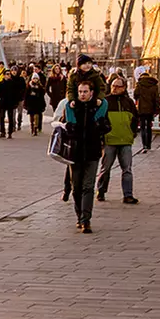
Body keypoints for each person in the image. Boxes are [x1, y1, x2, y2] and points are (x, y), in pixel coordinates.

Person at [65, 80, 111, 233]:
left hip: (92, 152)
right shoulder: (72, 107)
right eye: (80, 92)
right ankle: (79, 216)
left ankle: (86, 220)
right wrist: (69, 127)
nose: (82, 95)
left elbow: (107, 126)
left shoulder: (98, 108)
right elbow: (66, 127)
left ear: (91, 93)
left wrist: (100, 126)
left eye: (85, 92)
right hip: (75, 153)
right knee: (76, 187)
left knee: (88, 187)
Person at [97, 75, 140, 205]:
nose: (114, 88)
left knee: (127, 169)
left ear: (124, 88)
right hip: (110, 140)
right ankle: (101, 191)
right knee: (106, 168)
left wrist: (132, 133)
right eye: (113, 85)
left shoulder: (129, 102)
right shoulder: (106, 102)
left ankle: (128, 195)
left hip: (125, 140)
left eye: (118, 86)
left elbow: (135, 119)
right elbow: (100, 120)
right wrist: (102, 136)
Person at [134, 67, 160, 151]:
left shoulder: (139, 84)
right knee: (149, 127)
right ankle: (149, 144)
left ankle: (144, 144)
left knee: (142, 127)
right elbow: (157, 99)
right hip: (150, 109)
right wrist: (157, 110)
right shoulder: (154, 86)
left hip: (141, 108)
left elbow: (135, 95)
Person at [0, 69, 24, 138]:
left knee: (10, 118)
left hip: (11, 103)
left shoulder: (13, 83)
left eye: (9, 74)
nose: (8, 75)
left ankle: (10, 132)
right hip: (2, 103)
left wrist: (16, 103)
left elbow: (16, 94)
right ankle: (2, 132)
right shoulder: (0, 84)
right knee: (2, 118)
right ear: (4, 75)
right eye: (7, 74)